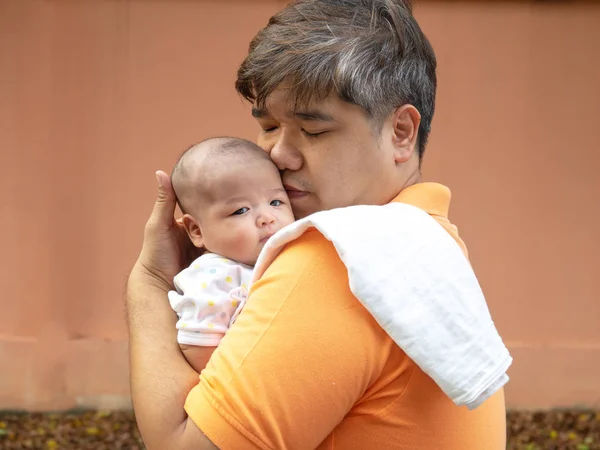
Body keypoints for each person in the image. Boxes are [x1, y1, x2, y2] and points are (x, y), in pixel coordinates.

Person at [126, 0, 508, 449]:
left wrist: (151, 282)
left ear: (401, 132)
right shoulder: (423, 242)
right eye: (268, 126)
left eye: (314, 131)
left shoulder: (339, 261)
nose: (279, 155)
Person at [167, 137, 295, 373]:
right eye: (241, 210)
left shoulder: (292, 256)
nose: (267, 217)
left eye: (276, 201)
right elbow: (198, 348)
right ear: (196, 230)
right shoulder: (214, 277)